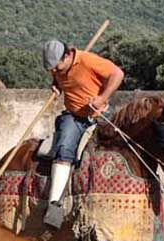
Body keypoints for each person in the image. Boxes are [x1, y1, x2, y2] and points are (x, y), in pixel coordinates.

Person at [41, 39, 124, 229]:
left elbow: (117, 74)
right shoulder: (58, 69)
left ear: (68, 55)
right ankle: (54, 206)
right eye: (52, 70)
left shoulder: (88, 61)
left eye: (57, 68)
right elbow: (61, 78)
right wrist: (56, 84)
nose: (55, 71)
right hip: (74, 117)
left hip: (102, 114)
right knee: (64, 148)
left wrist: (102, 98)